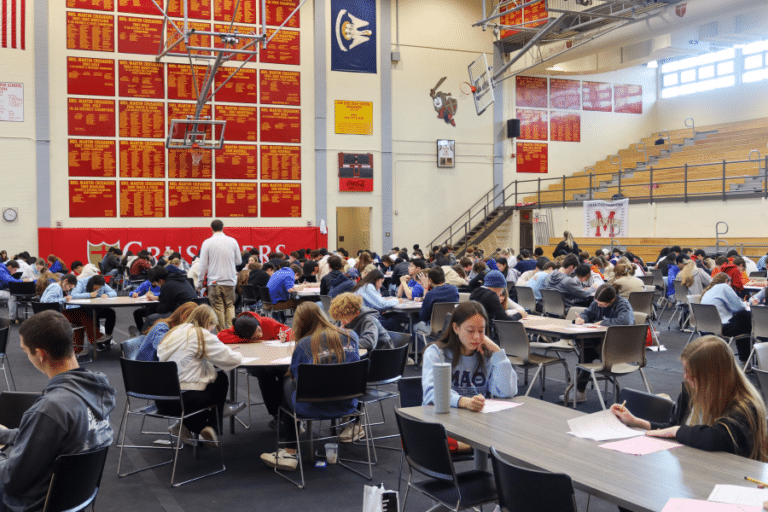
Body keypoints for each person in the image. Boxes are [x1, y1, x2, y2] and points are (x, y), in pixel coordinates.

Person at [0, 310, 115, 512]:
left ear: (41, 354)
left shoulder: (51, 410)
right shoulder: (98, 388)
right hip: (73, 499)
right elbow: (52, 440)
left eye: (26, 351)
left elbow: (11, 480)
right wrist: (7, 435)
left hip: (35, 504)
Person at [611, 335, 767, 461]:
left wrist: (677, 431)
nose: (686, 377)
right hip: (693, 465)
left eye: (692, 375)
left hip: (727, 476)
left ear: (713, 378)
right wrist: (636, 422)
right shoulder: (691, 389)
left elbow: (714, 438)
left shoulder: (745, 407)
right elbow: (672, 427)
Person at [259, 302, 360, 471]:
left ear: (301, 323)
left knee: (288, 381)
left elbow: (297, 375)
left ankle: (290, 451)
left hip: (311, 406)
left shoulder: (305, 344)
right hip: (348, 404)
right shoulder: (352, 336)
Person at [156, 305, 243, 444]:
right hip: (184, 402)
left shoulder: (176, 331)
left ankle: (185, 426)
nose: (211, 331)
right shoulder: (201, 335)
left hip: (161, 399)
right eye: (212, 327)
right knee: (220, 380)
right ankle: (210, 427)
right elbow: (232, 359)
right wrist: (241, 353)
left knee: (204, 381)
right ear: (207, 323)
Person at [421, 301, 517, 411]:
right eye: (470, 331)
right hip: (440, 418)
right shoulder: (436, 353)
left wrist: (498, 352)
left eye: (481, 331)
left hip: (474, 420)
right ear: (456, 328)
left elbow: (507, 392)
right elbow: (431, 393)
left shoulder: (486, 354)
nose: (476, 337)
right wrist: (463, 401)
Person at [217, 311, 293, 429]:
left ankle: (284, 414)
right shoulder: (237, 328)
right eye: (256, 334)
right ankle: (277, 413)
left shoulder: (267, 322)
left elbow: (289, 331)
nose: (260, 334)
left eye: (259, 330)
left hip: (276, 359)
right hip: (255, 362)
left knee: (287, 373)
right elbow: (221, 336)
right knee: (264, 373)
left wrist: (285, 336)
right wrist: (248, 341)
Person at [565, 284, 634, 403]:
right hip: (600, 344)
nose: (598, 305)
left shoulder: (622, 304)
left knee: (585, 353)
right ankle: (579, 390)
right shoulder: (597, 303)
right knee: (585, 351)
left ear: (612, 300)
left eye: (602, 303)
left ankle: (579, 391)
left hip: (617, 348)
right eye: (597, 302)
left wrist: (603, 322)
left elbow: (625, 321)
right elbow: (587, 313)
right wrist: (581, 318)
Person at [40, 273, 105, 350]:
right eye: (69, 286)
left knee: (81, 316)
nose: (68, 289)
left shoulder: (56, 286)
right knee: (83, 315)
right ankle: (93, 338)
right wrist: (64, 299)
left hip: (51, 314)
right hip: (52, 316)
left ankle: (84, 343)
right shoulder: (56, 287)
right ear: (65, 281)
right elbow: (47, 302)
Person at [197, 219, 241, 329]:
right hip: (230, 280)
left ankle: (222, 333)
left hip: (214, 282)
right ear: (223, 227)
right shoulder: (233, 241)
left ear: (211, 229)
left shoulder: (207, 242)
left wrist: (200, 283)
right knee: (230, 306)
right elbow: (239, 261)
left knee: (218, 307)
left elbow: (203, 265)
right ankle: (232, 330)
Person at [700, 273, 752, 364]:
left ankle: (745, 359)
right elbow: (739, 307)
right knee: (745, 318)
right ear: (727, 281)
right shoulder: (724, 286)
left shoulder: (709, 291)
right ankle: (746, 359)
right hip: (722, 328)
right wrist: (747, 304)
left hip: (705, 328)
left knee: (742, 319)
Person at [70, 275, 117, 348]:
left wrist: (107, 295)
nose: (97, 289)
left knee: (111, 312)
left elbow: (114, 292)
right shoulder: (82, 282)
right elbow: (73, 295)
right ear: (92, 283)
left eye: (99, 287)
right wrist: (89, 295)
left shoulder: (102, 284)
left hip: (96, 306)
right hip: (83, 309)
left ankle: (108, 336)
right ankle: (96, 338)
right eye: (96, 287)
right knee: (93, 313)